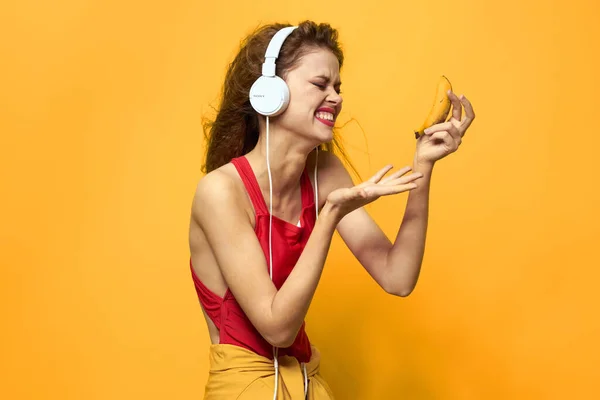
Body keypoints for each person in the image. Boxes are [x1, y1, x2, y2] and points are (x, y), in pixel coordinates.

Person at [188, 20, 475, 399]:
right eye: (320, 84)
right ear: (269, 92)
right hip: (244, 389)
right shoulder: (220, 192)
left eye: (338, 87)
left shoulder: (325, 172)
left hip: (306, 384)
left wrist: (424, 166)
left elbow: (398, 277)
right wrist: (330, 216)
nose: (337, 98)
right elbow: (277, 329)